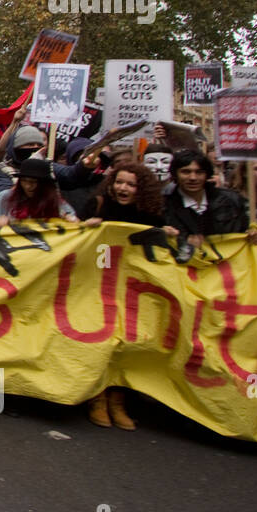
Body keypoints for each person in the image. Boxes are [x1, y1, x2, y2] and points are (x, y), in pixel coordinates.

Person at [80, 163, 170, 430]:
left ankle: (118, 400)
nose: (123, 188)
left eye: (131, 185)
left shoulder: (152, 213)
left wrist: (167, 236)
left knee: (129, 342)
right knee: (101, 339)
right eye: (119, 182)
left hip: (134, 288)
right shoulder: (96, 205)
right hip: (98, 282)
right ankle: (97, 397)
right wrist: (85, 227)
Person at [162, 149, 257, 260]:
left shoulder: (231, 200)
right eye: (186, 172)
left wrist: (253, 237)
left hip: (225, 268)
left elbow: (243, 233)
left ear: (207, 174)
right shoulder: (162, 206)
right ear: (175, 174)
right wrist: (179, 239)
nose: (193, 178)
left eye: (199, 172)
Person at [0, 158, 79, 226]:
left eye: (33, 182)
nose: (28, 186)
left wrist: (71, 221)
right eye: (24, 181)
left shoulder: (58, 204)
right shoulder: (4, 197)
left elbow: (74, 224)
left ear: (44, 184)